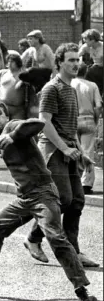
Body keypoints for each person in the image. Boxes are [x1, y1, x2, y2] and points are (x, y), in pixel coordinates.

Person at [0, 99, 97, 301]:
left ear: (7, 116)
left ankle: (82, 290)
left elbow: (38, 124)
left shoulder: (14, 127)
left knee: (55, 237)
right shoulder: (1, 139)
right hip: (24, 199)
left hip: (43, 195)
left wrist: (12, 134)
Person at [24, 43, 99, 268]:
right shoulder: (51, 88)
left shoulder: (72, 89)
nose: (76, 64)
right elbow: (44, 123)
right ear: (59, 63)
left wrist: (81, 153)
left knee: (77, 201)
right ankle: (33, 238)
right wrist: (65, 149)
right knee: (62, 199)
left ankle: (74, 251)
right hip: (52, 150)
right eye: (71, 60)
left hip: (69, 150)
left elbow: (70, 126)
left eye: (78, 60)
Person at [71, 63, 103, 195]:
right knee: (88, 151)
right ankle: (86, 184)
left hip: (72, 119)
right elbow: (98, 106)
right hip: (88, 118)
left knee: (72, 150)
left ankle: (72, 180)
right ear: (86, 72)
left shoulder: (69, 83)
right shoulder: (92, 85)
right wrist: (95, 119)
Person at [0, 54, 36, 120]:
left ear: (17, 63)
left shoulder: (23, 74)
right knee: (2, 128)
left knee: (18, 127)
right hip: (2, 107)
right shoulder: (3, 72)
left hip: (18, 109)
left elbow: (32, 85)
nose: (9, 63)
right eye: (9, 61)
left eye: (12, 62)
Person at [79, 29, 103, 96]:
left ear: (92, 40)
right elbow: (77, 55)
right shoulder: (86, 47)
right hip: (95, 68)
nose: (84, 41)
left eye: (86, 39)